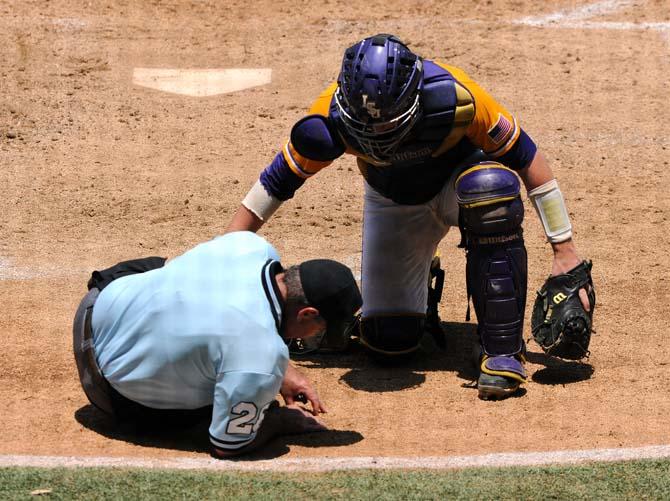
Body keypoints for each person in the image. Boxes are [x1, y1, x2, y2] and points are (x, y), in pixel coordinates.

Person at [226, 34, 594, 400]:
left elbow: (530, 161)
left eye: (387, 123)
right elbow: (274, 183)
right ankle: (417, 290)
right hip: (394, 198)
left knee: (491, 189)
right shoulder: (329, 117)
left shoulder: (457, 97)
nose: (375, 132)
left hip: (460, 186)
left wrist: (565, 250)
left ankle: (501, 352)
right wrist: (222, 256)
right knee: (389, 343)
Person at [73, 231, 362, 457]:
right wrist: (281, 421)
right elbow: (228, 446)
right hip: (104, 386)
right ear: (307, 313)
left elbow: (225, 311)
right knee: (215, 416)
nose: (316, 336)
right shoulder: (261, 359)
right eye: (321, 327)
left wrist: (283, 368)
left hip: (97, 305)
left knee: (172, 271)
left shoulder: (251, 246)